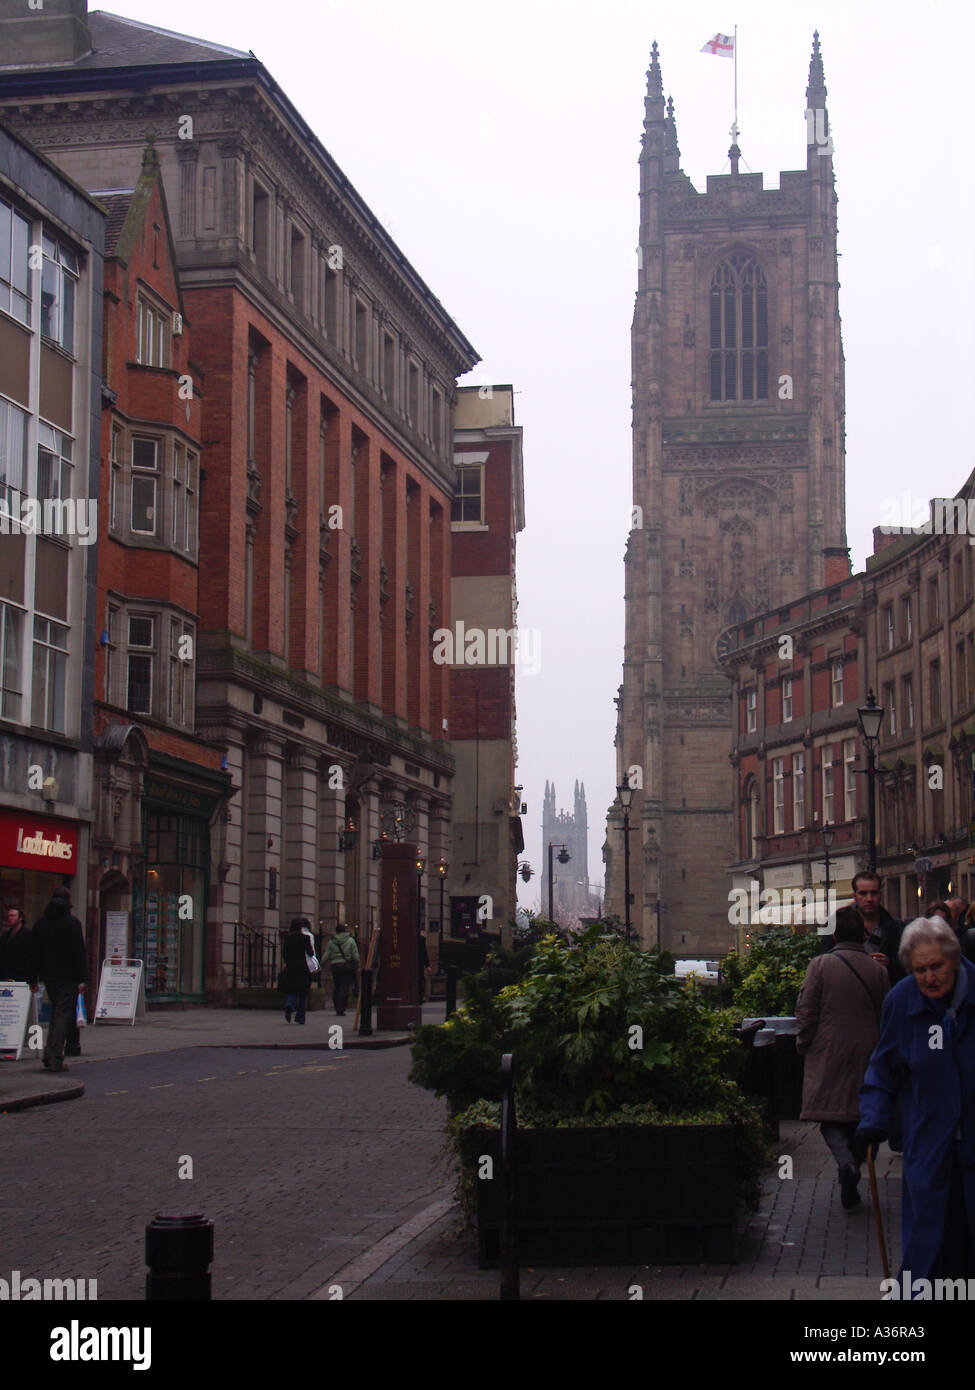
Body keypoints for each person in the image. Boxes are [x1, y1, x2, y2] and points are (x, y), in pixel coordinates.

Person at [856, 917, 975, 1281]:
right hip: (928, 1146)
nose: (929, 978)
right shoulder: (903, 1001)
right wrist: (873, 1120)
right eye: (920, 970)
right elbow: (882, 1067)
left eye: (936, 966)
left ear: (954, 959)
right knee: (929, 1250)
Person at [796, 906, 889, 1209]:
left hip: (828, 1050)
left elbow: (806, 1009)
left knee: (829, 1117)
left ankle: (846, 1163)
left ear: (834, 934)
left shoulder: (820, 965)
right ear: (862, 934)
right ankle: (857, 1162)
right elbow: (886, 1012)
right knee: (865, 1116)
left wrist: (804, 1041)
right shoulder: (877, 969)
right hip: (868, 1050)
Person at [29, 886, 88, 1073]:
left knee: (56, 1012)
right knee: (63, 1015)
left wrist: (34, 978)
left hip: (49, 976)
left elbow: (33, 954)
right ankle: (54, 1056)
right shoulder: (72, 923)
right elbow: (79, 953)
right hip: (68, 976)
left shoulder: (40, 924)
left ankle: (49, 1053)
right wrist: (82, 979)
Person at [849, 870, 906, 985]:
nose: (869, 899)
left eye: (873, 893)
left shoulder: (896, 928)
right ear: (855, 896)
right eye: (863, 893)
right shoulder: (841, 928)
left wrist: (889, 965)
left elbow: (907, 965)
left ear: (880, 894)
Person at [282, 917, 314, 1025]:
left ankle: (289, 1003)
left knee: (292, 989)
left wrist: (288, 963)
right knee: (303, 993)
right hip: (302, 967)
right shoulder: (305, 938)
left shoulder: (287, 939)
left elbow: (285, 954)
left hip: (291, 967)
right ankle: (300, 1018)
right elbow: (310, 953)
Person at [322, 925, 359, 1016]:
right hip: (346, 966)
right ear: (345, 931)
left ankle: (337, 1005)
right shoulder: (351, 940)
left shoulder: (332, 941)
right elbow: (355, 954)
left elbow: (326, 955)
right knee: (344, 986)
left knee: (337, 985)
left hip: (335, 965)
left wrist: (321, 965)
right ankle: (341, 1007)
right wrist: (357, 965)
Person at [0, 906, 32, 983]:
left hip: (22, 977)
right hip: (5, 977)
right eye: (8, 916)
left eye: (13, 916)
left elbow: (31, 957)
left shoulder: (28, 935)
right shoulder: (5, 937)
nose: (9, 918)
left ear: (20, 918)